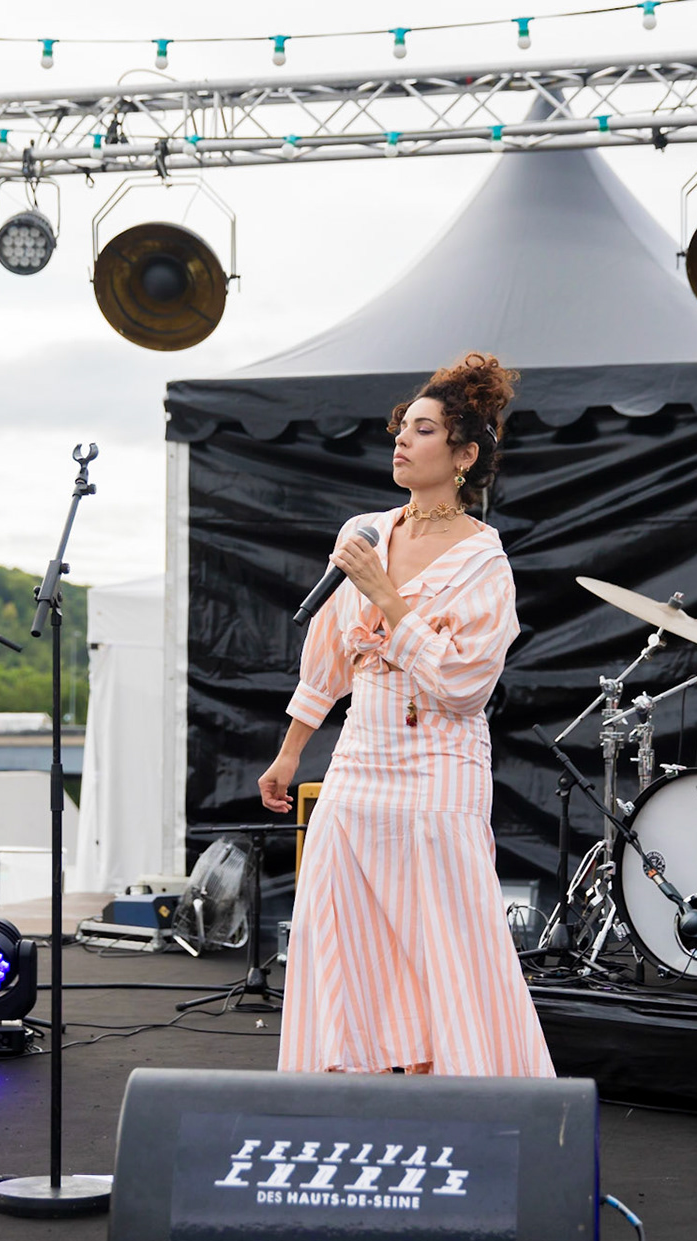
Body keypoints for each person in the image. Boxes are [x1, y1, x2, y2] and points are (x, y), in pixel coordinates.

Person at [259, 353, 555, 1078]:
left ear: (463, 455)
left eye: (422, 431)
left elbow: (463, 686)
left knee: (447, 940)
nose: (401, 441)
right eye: (401, 428)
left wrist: (388, 598)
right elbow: (327, 651)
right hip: (361, 759)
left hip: (439, 767)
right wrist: (291, 751)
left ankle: (468, 1085)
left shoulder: (485, 560)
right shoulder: (366, 530)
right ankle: (349, 1077)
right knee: (338, 924)